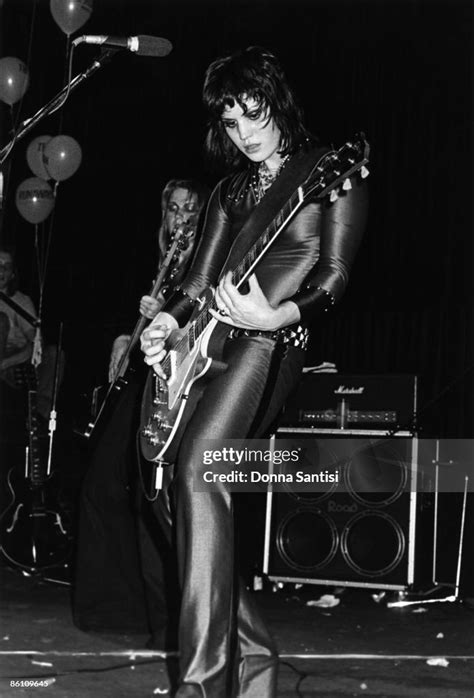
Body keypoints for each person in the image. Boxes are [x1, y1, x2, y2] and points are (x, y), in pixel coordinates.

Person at [140, 46, 369, 697]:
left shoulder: (329, 171)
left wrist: (277, 316)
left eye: (253, 114)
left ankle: (203, 684)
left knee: (200, 469)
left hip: (272, 345)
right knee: (166, 494)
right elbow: (198, 282)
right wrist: (167, 323)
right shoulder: (230, 190)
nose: (244, 133)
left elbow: (334, 277)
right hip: (210, 345)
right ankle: (254, 653)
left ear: (277, 102)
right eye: (231, 124)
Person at [73, 179, 209, 640]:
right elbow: (119, 313)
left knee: (154, 500)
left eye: (191, 209)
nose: (181, 218)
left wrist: (169, 322)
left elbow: (209, 330)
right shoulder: (158, 261)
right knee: (101, 486)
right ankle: (112, 611)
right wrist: (120, 337)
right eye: (174, 209)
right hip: (138, 381)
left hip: (179, 387)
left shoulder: (206, 262)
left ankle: (172, 619)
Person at [0, 246, 62, 422]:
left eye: (7, 266)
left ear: (12, 273)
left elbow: (35, 344)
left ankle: (39, 417)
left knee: (55, 355)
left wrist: (5, 363)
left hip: (13, 360)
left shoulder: (21, 301)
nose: (2, 270)